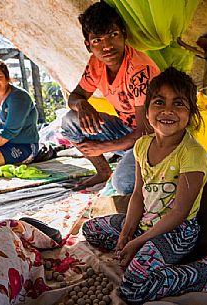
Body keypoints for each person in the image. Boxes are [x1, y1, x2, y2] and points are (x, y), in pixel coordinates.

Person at [82, 67, 207, 303]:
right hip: (145, 224)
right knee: (91, 229)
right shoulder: (141, 146)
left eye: (178, 104)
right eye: (159, 102)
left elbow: (179, 213)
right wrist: (126, 234)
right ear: (146, 111)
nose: (167, 111)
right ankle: (147, 253)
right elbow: (137, 196)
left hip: (178, 231)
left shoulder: (191, 153)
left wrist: (138, 242)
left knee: (134, 288)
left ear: (191, 113)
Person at [61, 1, 160, 194]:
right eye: (97, 40)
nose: (107, 46)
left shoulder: (139, 70)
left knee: (123, 184)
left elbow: (145, 132)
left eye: (113, 35)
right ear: (88, 45)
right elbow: (75, 96)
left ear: (124, 34)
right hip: (126, 132)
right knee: (69, 122)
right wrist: (81, 104)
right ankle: (103, 171)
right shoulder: (96, 63)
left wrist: (102, 147)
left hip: (154, 140)